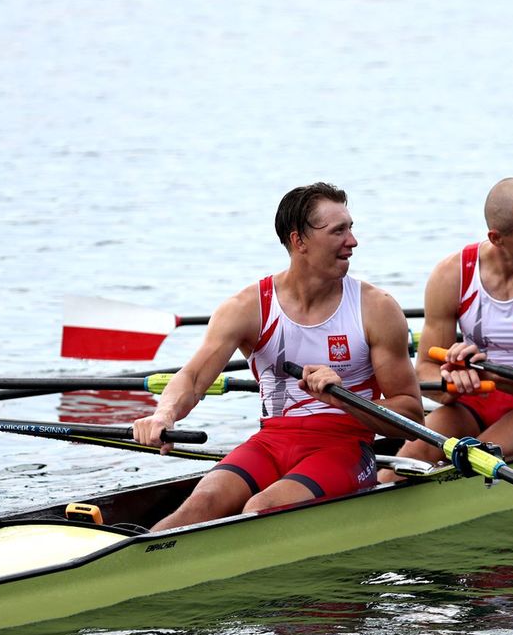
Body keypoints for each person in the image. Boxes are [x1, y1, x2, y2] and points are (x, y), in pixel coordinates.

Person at [134, 182, 423, 530]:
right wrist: (163, 415)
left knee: (261, 507)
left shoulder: (375, 309)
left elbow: (411, 415)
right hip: (271, 442)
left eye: (351, 228)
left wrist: (345, 400)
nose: (353, 241)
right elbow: (194, 378)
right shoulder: (247, 307)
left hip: (344, 448)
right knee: (201, 504)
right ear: (299, 240)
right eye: (338, 231)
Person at [380, 178, 513, 481]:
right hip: (474, 403)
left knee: (476, 458)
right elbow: (425, 370)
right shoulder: (451, 274)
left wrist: (490, 373)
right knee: (405, 463)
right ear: (496, 238)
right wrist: (451, 379)